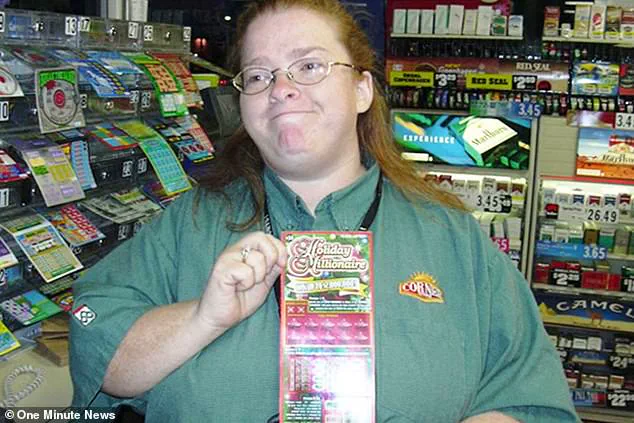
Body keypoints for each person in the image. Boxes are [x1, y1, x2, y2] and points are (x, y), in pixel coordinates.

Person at [70, 0, 580, 421]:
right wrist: (201, 319)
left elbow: (530, 399)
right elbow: (96, 340)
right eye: (258, 75)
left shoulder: (453, 239)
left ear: (361, 89)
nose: (281, 89)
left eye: (309, 66)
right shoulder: (189, 224)